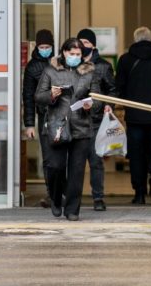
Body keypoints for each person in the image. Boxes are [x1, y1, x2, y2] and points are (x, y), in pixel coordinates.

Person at [34, 38, 109, 221]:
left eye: (78, 54)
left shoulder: (89, 73)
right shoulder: (51, 71)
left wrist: (90, 105)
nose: (75, 57)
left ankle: (72, 209)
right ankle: (56, 197)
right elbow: (38, 97)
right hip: (57, 126)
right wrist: (51, 95)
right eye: (71, 53)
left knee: (76, 171)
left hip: (81, 126)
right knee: (55, 166)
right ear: (64, 52)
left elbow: (98, 99)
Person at [115, 26, 151, 205]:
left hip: (134, 116)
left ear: (135, 39)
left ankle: (139, 193)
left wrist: (127, 103)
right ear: (150, 38)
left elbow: (119, 87)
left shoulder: (125, 60)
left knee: (136, 154)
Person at [77, 28, 116, 211]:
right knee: (75, 163)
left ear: (93, 45)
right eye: (80, 42)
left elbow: (113, 90)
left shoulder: (103, 66)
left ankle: (98, 198)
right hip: (75, 120)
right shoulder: (72, 64)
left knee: (95, 162)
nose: (83, 46)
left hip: (95, 119)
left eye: (86, 42)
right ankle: (72, 197)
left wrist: (110, 104)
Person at [22, 28, 55, 208]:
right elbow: (28, 96)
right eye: (42, 46)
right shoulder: (32, 66)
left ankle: (63, 192)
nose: (45, 49)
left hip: (63, 117)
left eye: (47, 46)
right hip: (44, 117)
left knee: (63, 157)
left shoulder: (60, 62)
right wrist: (29, 124)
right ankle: (51, 194)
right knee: (48, 157)